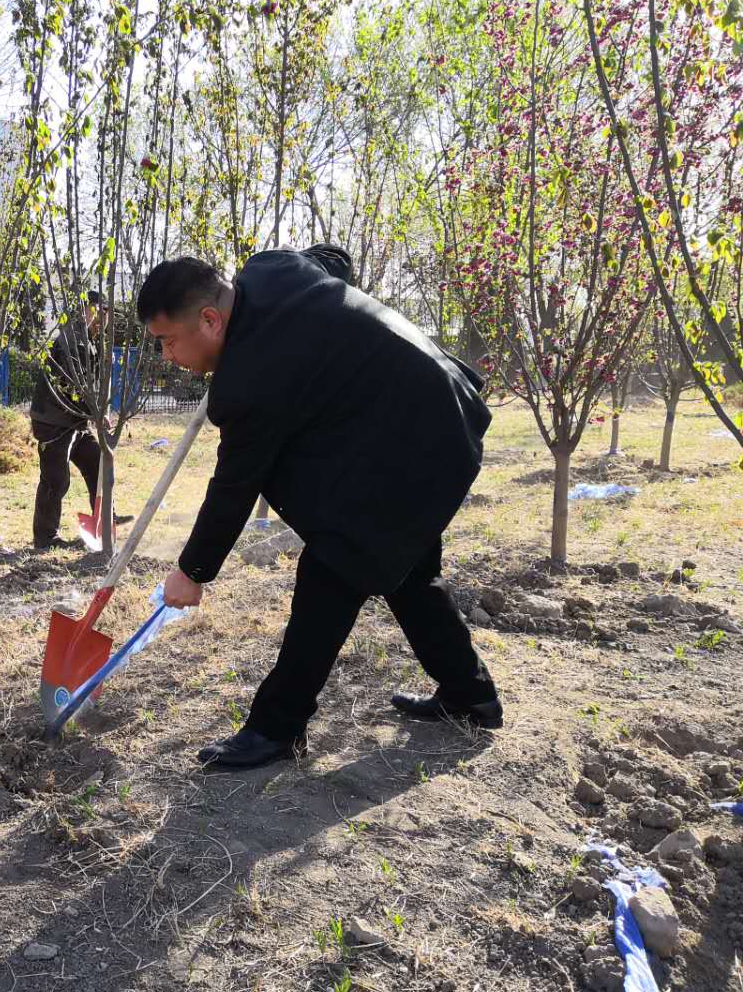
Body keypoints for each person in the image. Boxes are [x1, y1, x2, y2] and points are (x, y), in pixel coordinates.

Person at [139, 244, 501, 770]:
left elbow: (233, 488)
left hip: (420, 437)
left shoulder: (250, 379)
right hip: (433, 411)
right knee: (408, 573)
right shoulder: (271, 268)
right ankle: (471, 695)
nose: (166, 356)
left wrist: (192, 571)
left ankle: (275, 728)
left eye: (168, 341)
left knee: (331, 570)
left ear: (211, 320)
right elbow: (333, 258)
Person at [29, 294, 132, 549]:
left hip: (73, 420)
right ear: (88, 309)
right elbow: (73, 385)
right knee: (56, 479)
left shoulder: (88, 339)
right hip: (54, 420)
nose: (106, 317)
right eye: (102, 310)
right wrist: (96, 414)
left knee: (97, 462)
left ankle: (105, 518)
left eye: (108, 312)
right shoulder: (72, 340)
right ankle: (45, 538)